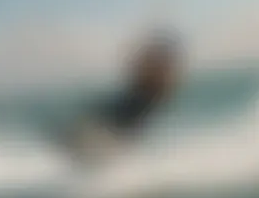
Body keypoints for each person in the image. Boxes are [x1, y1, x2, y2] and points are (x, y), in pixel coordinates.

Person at [58, 31, 182, 162]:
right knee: (98, 114)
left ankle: (81, 146)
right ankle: (76, 143)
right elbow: (137, 75)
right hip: (130, 104)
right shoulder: (158, 75)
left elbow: (148, 86)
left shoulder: (160, 77)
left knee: (108, 121)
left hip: (135, 108)